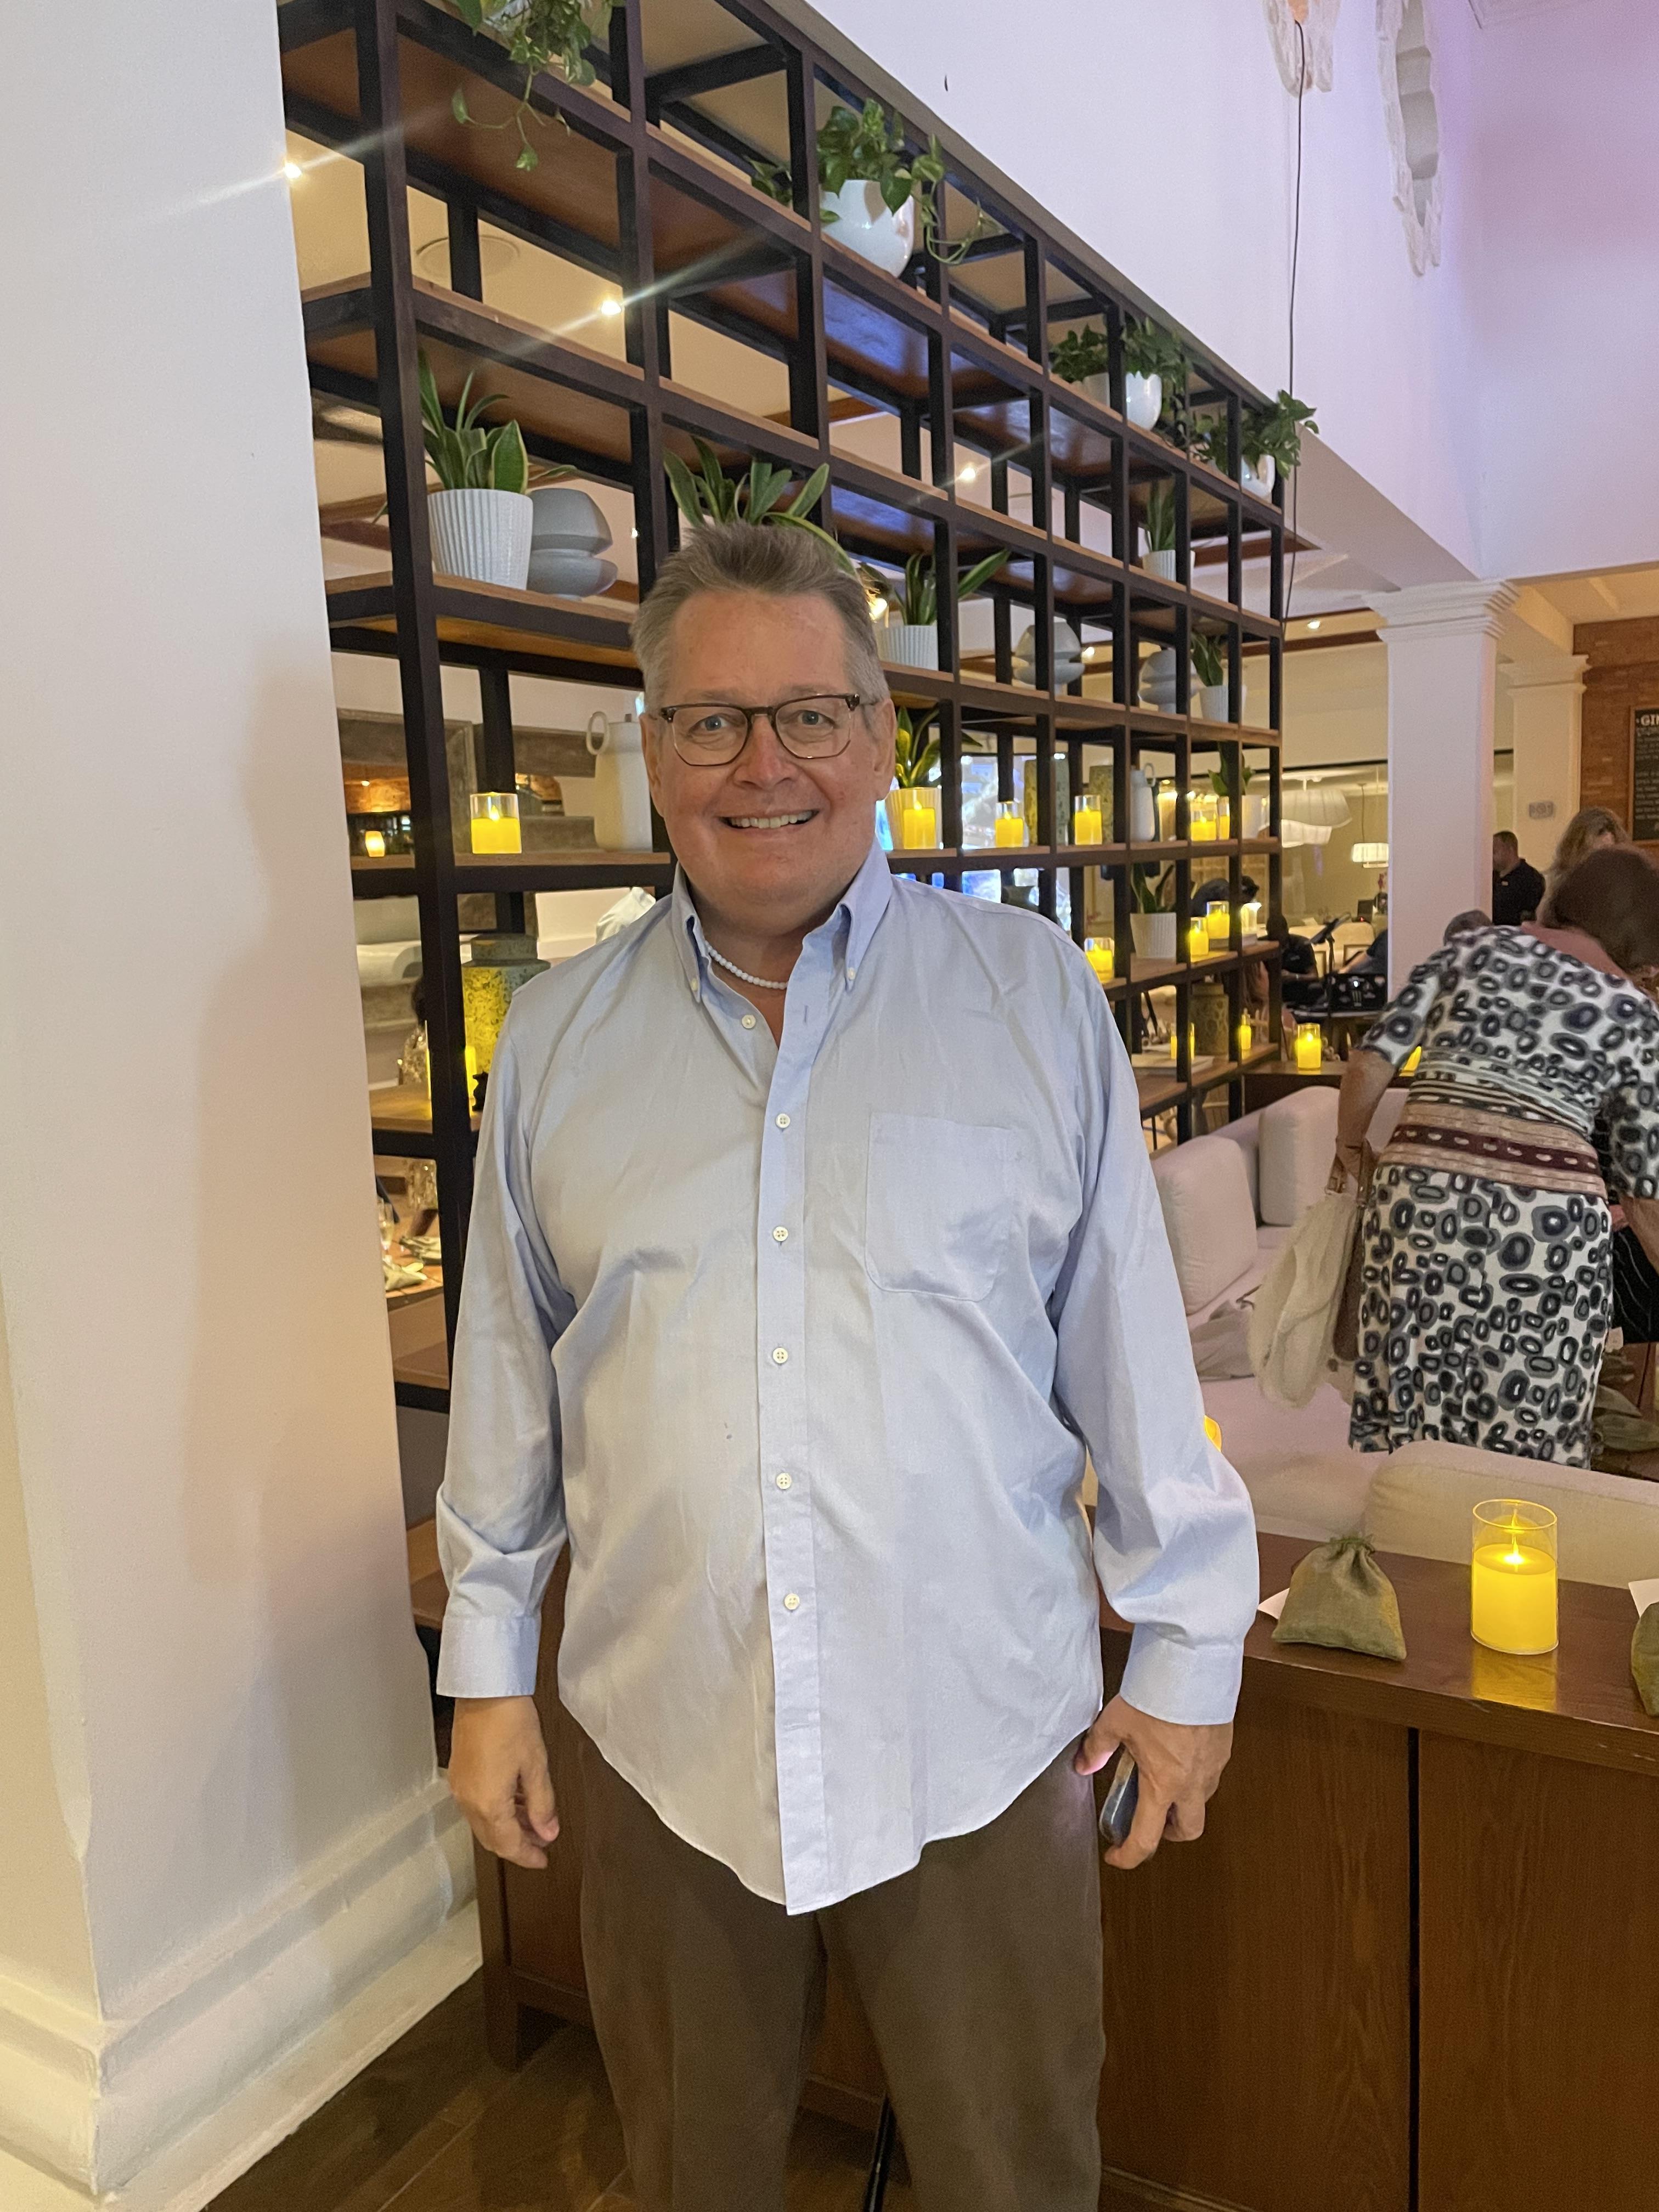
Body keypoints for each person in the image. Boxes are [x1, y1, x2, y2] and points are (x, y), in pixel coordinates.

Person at [435, 522, 1257, 2209]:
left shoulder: (1030, 998)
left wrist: (1187, 1653)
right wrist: (489, 1669)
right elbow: (512, 1378)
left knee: (1014, 2172)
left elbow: (1130, 1358)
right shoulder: (555, 1043)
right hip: (669, 1743)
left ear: (882, 741)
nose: (764, 764)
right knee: (690, 2174)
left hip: (977, 1728)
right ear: (651, 751)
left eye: (810, 713)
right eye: (711, 719)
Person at [1334, 847, 1659, 1463]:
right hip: (1543, 1238)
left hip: (1414, 1216)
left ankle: (1415, 1538)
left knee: (1418, 1420)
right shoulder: (1633, 1017)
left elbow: (1369, 1062)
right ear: (1638, 950)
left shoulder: (1468, 953)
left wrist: (1350, 1146)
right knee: (1528, 1433)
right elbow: (1644, 1192)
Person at [1538, 803, 1628, 924]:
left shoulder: (1627, 892)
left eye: (1609, 854)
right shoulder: (1561, 893)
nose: (1601, 863)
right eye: (1593, 855)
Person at [1491, 828, 1546, 924]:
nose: (1491, 857)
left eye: (1494, 852)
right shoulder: (1490, 876)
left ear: (1510, 850)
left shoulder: (1532, 879)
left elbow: (1532, 917)